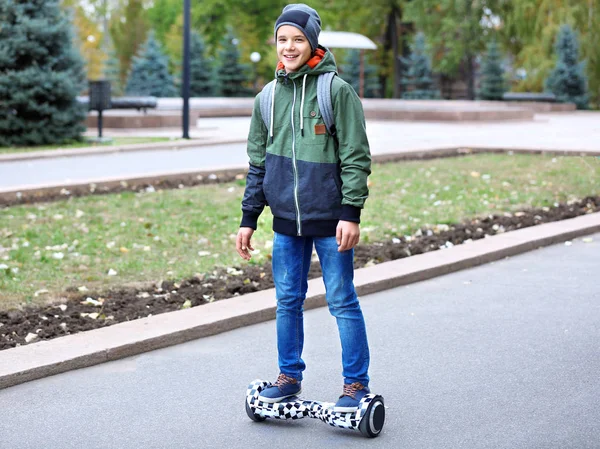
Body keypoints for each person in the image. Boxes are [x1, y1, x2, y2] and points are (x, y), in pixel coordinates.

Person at [236, 3, 372, 413]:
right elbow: (257, 163)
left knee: (341, 300)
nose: (289, 47)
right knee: (287, 300)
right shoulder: (267, 97)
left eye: (298, 39)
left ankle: (355, 385)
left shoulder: (336, 92)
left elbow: (356, 156)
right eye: (283, 39)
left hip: (331, 222)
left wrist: (350, 212)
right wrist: (248, 219)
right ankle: (288, 376)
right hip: (284, 224)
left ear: (312, 42)